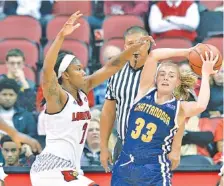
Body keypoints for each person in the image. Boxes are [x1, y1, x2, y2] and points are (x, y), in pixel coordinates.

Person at [30, 11, 152, 186]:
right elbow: (48, 70)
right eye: (78, 69)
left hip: (71, 167)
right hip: (51, 167)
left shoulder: (83, 89)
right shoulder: (57, 97)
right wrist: (61, 36)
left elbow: (112, 66)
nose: (83, 72)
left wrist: (133, 48)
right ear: (65, 75)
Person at [111, 47, 219, 186]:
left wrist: (205, 74)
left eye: (171, 75)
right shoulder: (143, 92)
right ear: (155, 79)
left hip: (153, 169)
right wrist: (187, 51)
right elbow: (154, 55)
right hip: (125, 165)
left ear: (178, 82)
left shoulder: (179, 107)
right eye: (162, 74)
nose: (166, 77)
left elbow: (201, 105)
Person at [100, 26, 182, 173]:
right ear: (125, 46)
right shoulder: (115, 72)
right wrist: (104, 147)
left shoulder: (161, 73)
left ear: (149, 45)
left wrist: (176, 149)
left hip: (154, 149)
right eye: (131, 44)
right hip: (123, 145)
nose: (136, 47)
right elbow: (108, 113)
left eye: (141, 43)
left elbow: (178, 113)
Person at [0, 116, 42, 185]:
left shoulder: (29, 167)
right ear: (1, 150)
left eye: (13, 150)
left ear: (20, 150)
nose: (9, 155)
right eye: (6, 150)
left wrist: (30, 156)